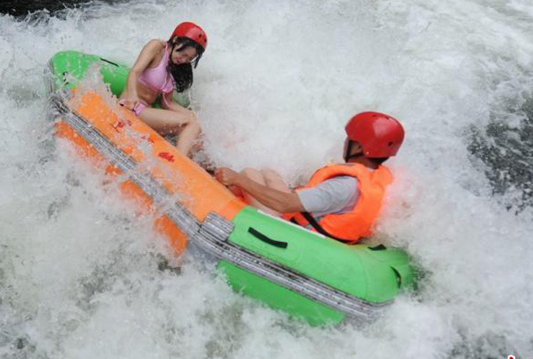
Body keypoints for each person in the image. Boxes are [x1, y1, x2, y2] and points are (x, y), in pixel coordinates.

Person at [214, 112, 404, 243]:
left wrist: (237, 180)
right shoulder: (379, 177)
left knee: (247, 175)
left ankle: (218, 195)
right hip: (325, 224)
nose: (345, 141)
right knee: (267, 173)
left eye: (350, 139)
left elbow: (284, 205)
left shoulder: (344, 186)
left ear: (359, 148)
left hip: (293, 233)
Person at [119, 22, 208, 156]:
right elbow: (135, 72)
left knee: (194, 124)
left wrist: (193, 115)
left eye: (189, 58)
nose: (183, 60)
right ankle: (179, 162)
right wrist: (132, 95)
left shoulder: (174, 66)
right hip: (132, 107)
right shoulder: (157, 47)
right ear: (176, 40)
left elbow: (167, 102)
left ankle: (197, 163)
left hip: (146, 112)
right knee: (191, 123)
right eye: (183, 54)